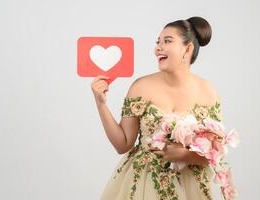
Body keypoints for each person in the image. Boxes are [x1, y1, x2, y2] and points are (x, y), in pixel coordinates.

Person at [92, 16, 225, 200]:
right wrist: (101, 103)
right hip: (145, 185)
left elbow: (215, 151)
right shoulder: (141, 87)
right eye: (158, 42)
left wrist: (184, 155)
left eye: (167, 41)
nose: (158, 48)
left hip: (190, 187)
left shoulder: (207, 92)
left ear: (188, 48)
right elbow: (122, 144)